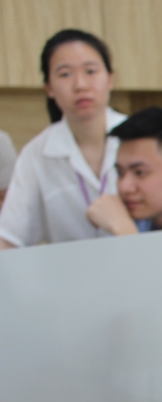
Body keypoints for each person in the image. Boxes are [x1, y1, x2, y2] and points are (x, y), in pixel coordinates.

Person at [0, 30, 126, 248]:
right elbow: (9, 237)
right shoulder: (36, 154)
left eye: (90, 71)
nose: (80, 85)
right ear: (49, 88)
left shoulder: (142, 138)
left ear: (110, 79)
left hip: (143, 262)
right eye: (65, 74)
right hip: (71, 270)